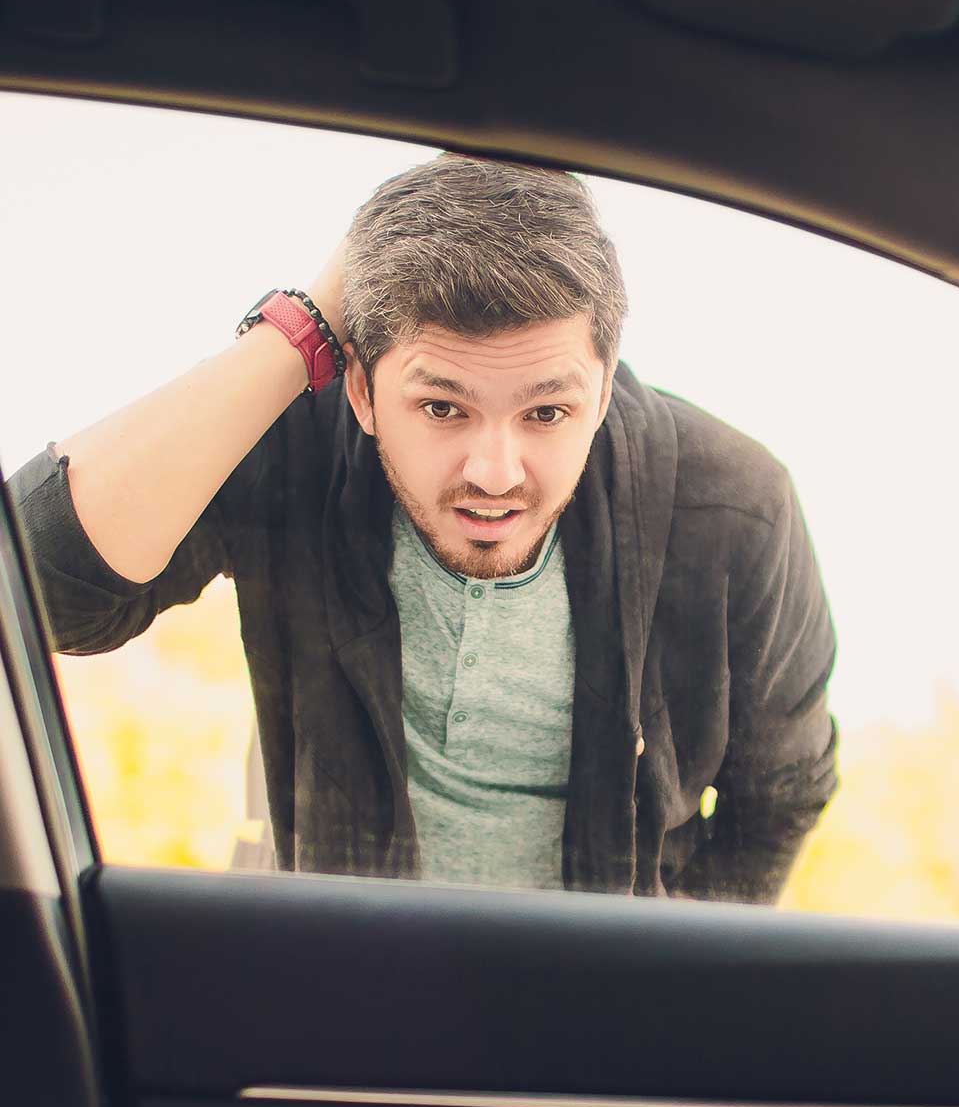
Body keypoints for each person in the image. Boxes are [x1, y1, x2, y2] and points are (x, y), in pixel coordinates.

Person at [11, 155, 837, 900]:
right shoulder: (296, 441)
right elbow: (38, 590)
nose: (495, 471)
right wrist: (301, 327)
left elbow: (781, 797)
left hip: (597, 1028)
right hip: (329, 1000)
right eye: (442, 406)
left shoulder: (738, 509)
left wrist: (661, 992)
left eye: (548, 411)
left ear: (603, 389)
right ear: (363, 392)